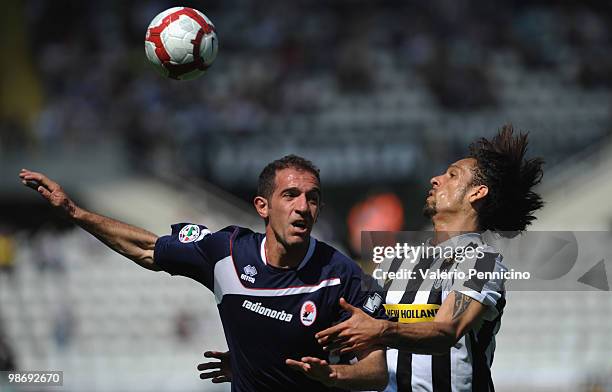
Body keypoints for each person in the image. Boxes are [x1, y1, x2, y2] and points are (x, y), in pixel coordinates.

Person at [199, 126, 545, 392]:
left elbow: (447, 330)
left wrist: (382, 328)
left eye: (452, 175)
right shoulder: (398, 261)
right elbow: (351, 334)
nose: (436, 178)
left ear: (477, 192)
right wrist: (260, 362)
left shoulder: (481, 261)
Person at [19, 155, 388, 392]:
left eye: (312, 198)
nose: (303, 207)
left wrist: (333, 376)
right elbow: (147, 248)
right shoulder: (226, 251)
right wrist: (75, 212)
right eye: (290, 195)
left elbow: (376, 371)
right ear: (262, 206)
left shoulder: (341, 275)